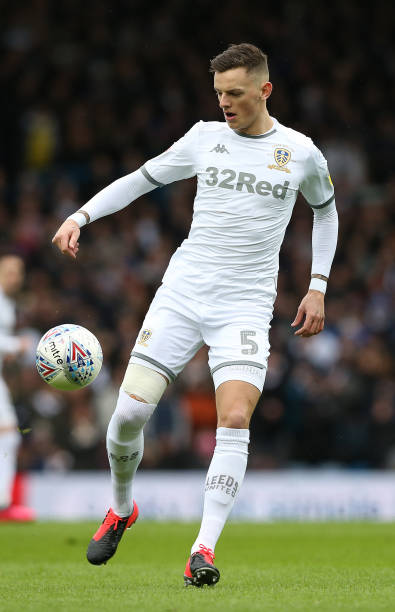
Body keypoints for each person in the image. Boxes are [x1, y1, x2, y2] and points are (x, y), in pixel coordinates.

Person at [52, 43, 338, 586]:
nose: (225, 102)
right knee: (128, 418)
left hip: (245, 307)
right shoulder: (204, 138)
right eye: (219, 94)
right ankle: (121, 508)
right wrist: (81, 215)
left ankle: (201, 550)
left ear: (265, 90)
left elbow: (325, 212)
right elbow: (141, 178)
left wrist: (317, 286)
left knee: (234, 418)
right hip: (183, 294)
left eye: (235, 93)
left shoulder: (300, 153)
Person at [0, 255, 35, 522]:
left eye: (19, 272)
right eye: (10, 271)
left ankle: (4, 502)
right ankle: (3, 504)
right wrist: (16, 345)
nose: (16, 277)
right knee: (9, 434)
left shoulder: (8, 304)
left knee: (9, 434)